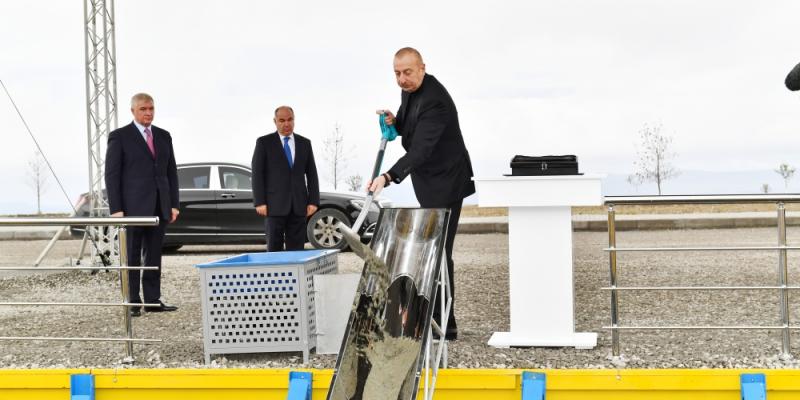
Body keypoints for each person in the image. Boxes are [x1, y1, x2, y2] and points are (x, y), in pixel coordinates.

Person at [370, 47, 475, 340]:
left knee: (440, 252)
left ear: (422, 68)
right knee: (433, 249)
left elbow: (422, 149)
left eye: (407, 73)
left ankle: (446, 323)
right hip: (428, 181)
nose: (401, 79)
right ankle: (436, 317)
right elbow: (409, 124)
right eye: (397, 73)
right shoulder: (411, 91)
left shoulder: (436, 101)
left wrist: (388, 176)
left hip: (447, 182)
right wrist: (395, 122)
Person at [105, 93, 180, 317]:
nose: (148, 113)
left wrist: (173, 204)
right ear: (133, 111)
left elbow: (171, 172)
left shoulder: (164, 136)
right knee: (132, 256)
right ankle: (133, 302)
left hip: (159, 207)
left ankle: (153, 300)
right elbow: (112, 175)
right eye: (143, 109)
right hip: (131, 209)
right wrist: (116, 209)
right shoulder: (120, 137)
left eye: (151, 108)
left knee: (154, 255)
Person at [251, 106, 320, 251]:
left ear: (294, 120)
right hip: (273, 206)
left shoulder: (305, 143)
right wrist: (259, 202)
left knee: (296, 251)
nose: (286, 124)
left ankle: (295, 275)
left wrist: (313, 201)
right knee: (274, 250)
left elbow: (312, 174)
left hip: (299, 206)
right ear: (275, 121)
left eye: (290, 120)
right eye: (282, 120)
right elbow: (257, 173)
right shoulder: (264, 143)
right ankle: (275, 274)